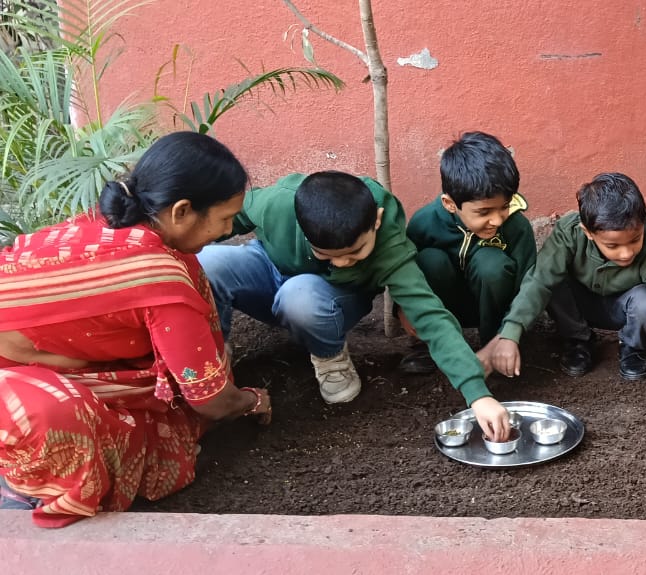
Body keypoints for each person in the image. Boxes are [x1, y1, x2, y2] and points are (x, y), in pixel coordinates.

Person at [0, 132, 272, 528]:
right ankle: (26, 488)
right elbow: (210, 401)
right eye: (225, 218)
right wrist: (249, 400)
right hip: (18, 399)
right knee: (61, 417)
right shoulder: (158, 279)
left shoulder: (106, 222)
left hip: (32, 364)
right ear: (182, 211)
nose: (229, 230)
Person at [197, 171, 511, 440]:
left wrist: (477, 394)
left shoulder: (388, 244)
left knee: (299, 296)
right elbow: (218, 222)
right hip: (269, 267)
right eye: (326, 254)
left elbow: (429, 314)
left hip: (325, 298)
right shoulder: (275, 204)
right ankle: (209, 359)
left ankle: (328, 355)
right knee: (205, 263)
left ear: (376, 221)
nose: (342, 262)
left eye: (356, 252)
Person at [483, 173, 646, 418]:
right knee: (552, 282)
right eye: (613, 245)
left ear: (642, 222)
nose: (626, 253)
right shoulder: (570, 233)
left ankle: (632, 347)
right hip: (581, 307)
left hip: (626, 309)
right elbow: (539, 281)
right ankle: (578, 340)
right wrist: (511, 334)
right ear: (588, 232)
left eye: (634, 240)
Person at [399, 132, 535, 373]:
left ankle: (495, 346)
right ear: (450, 204)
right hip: (445, 307)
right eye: (484, 212)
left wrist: (510, 333)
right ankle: (433, 344)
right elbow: (402, 275)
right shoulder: (424, 223)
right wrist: (403, 308)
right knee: (429, 261)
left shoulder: (517, 227)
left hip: (495, 310)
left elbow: (530, 286)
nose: (497, 220)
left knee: (492, 264)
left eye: (504, 207)